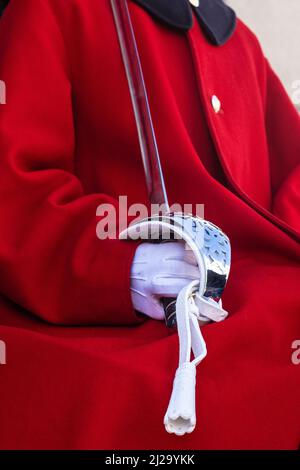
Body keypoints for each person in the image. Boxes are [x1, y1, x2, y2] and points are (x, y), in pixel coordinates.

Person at [0, 0, 299, 450]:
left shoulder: (241, 43)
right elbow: (14, 188)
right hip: (107, 314)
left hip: (257, 296)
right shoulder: (53, 8)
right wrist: (123, 264)